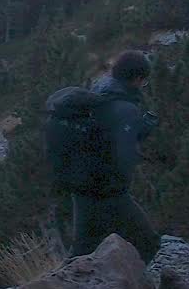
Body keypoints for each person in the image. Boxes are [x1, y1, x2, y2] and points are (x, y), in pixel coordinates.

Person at [54, 50, 161, 262]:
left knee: (83, 249)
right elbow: (123, 153)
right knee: (148, 243)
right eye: (144, 81)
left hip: (82, 185)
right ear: (138, 79)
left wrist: (137, 129)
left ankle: (69, 280)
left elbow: (106, 135)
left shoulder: (99, 91)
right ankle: (133, 282)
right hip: (108, 191)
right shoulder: (125, 108)